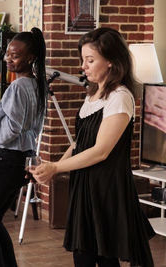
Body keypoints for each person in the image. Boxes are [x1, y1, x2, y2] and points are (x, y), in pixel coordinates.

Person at [30, 27, 155, 267]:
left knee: (97, 256)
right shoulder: (93, 94)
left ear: (110, 61)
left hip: (106, 187)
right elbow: (81, 142)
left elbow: (101, 150)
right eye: (83, 60)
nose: (83, 66)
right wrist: (51, 166)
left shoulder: (120, 96)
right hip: (85, 184)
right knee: (89, 254)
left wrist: (56, 168)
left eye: (90, 60)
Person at [0, 27, 47, 267]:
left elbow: (11, 130)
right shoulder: (37, 84)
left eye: (15, 55)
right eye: (7, 53)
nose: (8, 58)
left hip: (9, 160)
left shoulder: (18, 87)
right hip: (21, 159)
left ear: (30, 58)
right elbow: (21, 125)